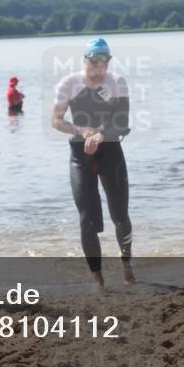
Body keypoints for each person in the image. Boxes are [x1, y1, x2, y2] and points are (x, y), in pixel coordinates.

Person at [51, 38, 134, 290]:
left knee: (120, 215)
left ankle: (126, 263)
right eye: (94, 61)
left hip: (110, 151)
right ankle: (98, 279)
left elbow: (121, 121)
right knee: (87, 219)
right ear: (84, 60)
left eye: (104, 61)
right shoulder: (69, 84)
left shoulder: (117, 81)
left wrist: (101, 133)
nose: (100, 67)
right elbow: (55, 120)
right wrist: (79, 129)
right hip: (81, 154)